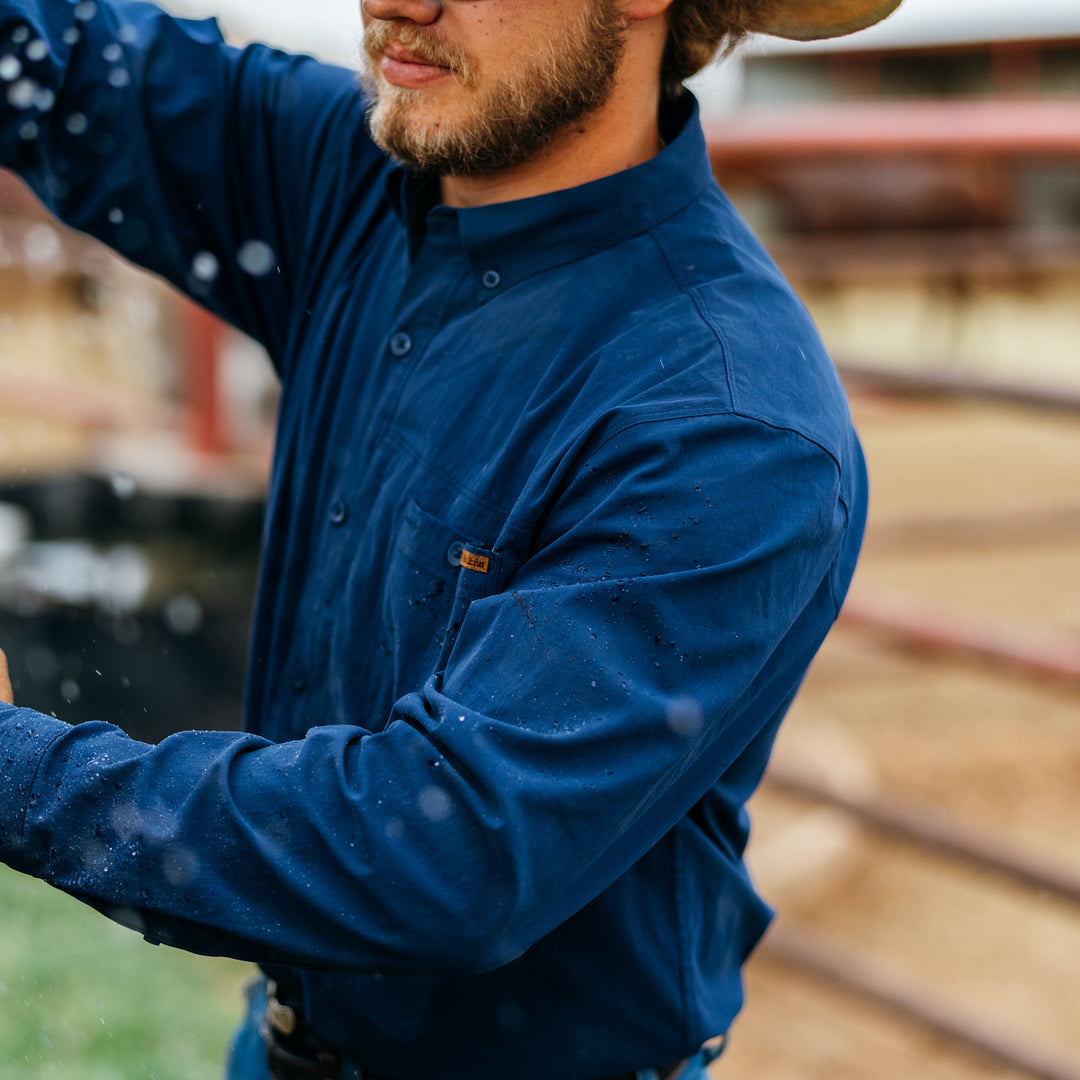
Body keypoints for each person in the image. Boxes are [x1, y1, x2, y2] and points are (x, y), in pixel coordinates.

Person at [0, 0, 901, 1076]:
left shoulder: (725, 421)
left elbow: (444, 857)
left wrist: (22, 771)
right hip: (285, 1041)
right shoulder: (361, 180)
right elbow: (64, 70)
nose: (396, 2)